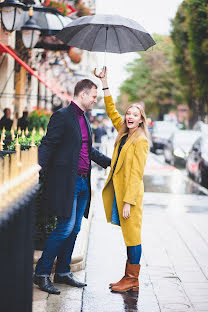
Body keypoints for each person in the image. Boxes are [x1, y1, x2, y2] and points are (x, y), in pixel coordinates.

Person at [34, 79, 111, 295]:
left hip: (83, 182)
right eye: (94, 96)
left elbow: (88, 151)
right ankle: (41, 273)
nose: (96, 100)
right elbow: (48, 144)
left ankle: (62, 272)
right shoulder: (62, 116)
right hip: (67, 182)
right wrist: (36, 167)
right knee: (65, 227)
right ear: (83, 94)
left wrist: (110, 161)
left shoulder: (84, 119)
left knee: (75, 228)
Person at [96, 67, 149, 293]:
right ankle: (128, 277)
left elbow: (136, 174)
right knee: (128, 236)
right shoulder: (124, 131)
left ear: (140, 120)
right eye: (128, 113)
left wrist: (128, 202)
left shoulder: (141, 141)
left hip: (131, 195)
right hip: (121, 190)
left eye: (135, 115)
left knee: (132, 236)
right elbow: (110, 110)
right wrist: (105, 80)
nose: (129, 116)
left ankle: (132, 278)